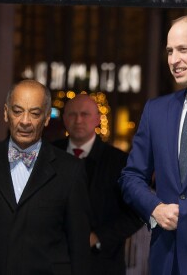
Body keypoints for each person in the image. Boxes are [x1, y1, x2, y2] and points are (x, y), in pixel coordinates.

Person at [0, 79, 91, 275]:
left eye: (34, 113)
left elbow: (78, 244)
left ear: (46, 118)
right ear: (6, 113)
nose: (25, 121)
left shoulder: (70, 170)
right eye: (17, 111)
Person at [119, 15, 187, 275]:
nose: (173, 60)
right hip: (165, 260)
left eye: (183, 49)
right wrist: (155, 208)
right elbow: (131, 177)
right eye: (169, 51)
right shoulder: (156, 111)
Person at [53, 94, 143, 275]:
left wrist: (98, 237)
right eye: (72, 114)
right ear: (64, 119)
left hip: (102, 263)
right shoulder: (48, 154)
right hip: (52, 261)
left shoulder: (120, 161)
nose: (78, 120)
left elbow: (137, 213)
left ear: (97, 119)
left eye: (85, 114)